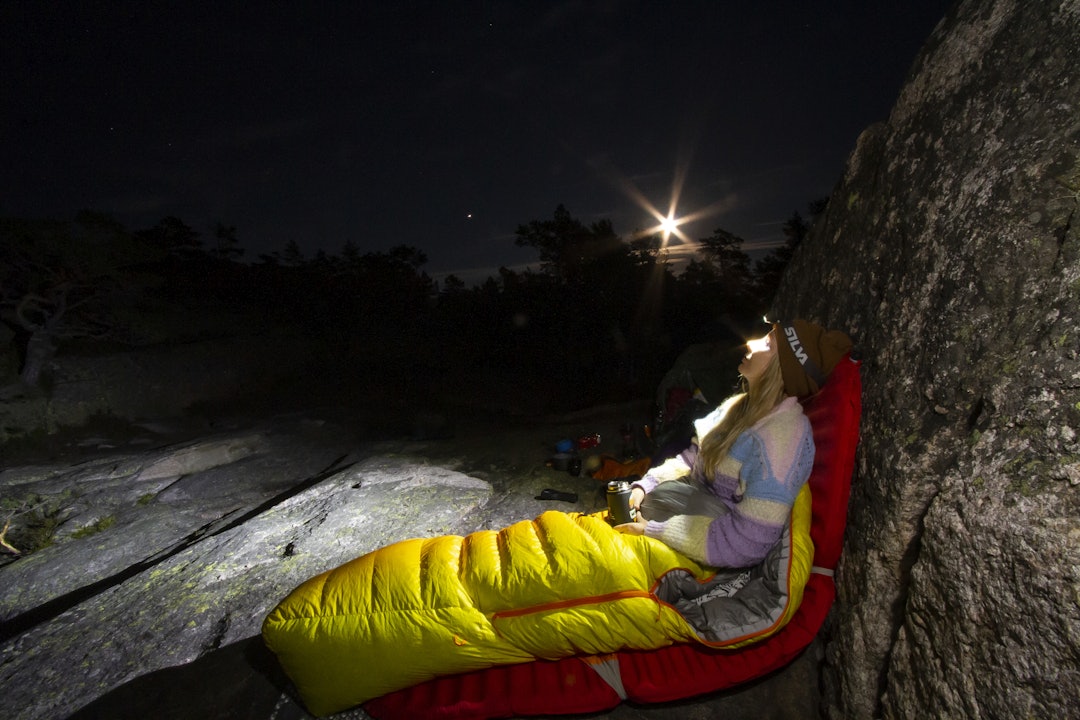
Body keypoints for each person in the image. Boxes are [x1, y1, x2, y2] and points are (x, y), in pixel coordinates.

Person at [615, 319, 853, 568]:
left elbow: (748, 543)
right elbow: (692, 459)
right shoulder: (738, 405)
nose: (750, 343)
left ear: (783, 368)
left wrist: (655, 531)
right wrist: (646, 485)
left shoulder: (782, 438)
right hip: (685, 519)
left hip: (717, 553)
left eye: (768, 344)